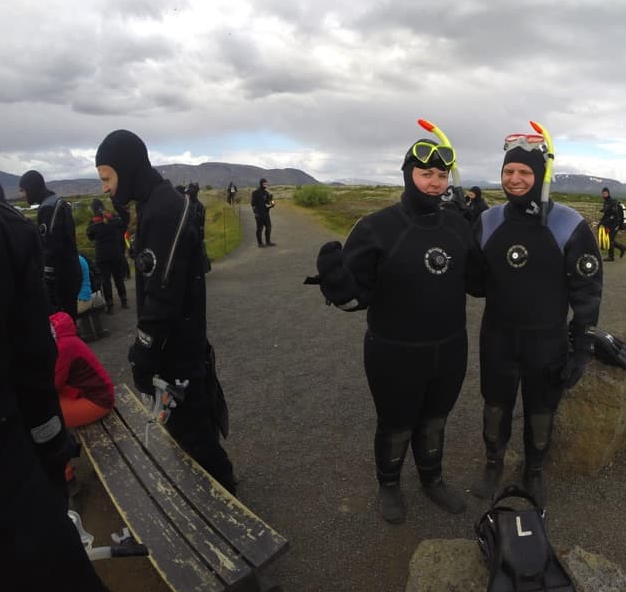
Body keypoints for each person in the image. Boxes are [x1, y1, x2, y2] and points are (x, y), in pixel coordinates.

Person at [314, 136, 482, 524]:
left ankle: (432, 478)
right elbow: (356, 296)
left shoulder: (458, 225)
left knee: (436, 419)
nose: (435, 182)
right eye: (426, 174)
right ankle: (389, 483)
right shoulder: (376, 227)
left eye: (441, 175)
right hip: (394, 351)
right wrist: (337, 287)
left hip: (450, 348)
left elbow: (479, 283)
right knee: (396, 422)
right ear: (408, 175)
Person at [0, 196, 137, 592]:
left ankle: (69, 476)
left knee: (50, 413)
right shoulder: (13, 236)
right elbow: (37, 380)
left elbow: (45, 389)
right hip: (29, 458)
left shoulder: (63, 343)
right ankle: (64, 473)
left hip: (97, 403)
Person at [95, 129, 236, 493]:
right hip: (179, 345)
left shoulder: (163, 210)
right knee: (191, 431)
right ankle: (219, 494)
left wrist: (143, 353)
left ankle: (230, 508)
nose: (105, 188)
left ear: (126, 169)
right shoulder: (153, 205)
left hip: (178, 351)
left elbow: (162, 294)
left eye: (107, 178)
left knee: (195, 436)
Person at [470, 133, 603, 506]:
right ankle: (493, 464)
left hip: (547, 341)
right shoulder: (488, 220)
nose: (514, 179)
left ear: (542, 175)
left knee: (542, 409)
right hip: (497, 337)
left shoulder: (568, 224)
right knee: (495, 405)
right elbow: (476, 283)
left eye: (524, 172)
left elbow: (587, 291)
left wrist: (583, 347)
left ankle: (534, 471)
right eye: (508, 170)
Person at [18, 170, 81, 318]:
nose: (22, 195)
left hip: (62, 275)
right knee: (70, 320)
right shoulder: (57, 201)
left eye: (23, 190)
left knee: (63, 322)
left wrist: (47, 277)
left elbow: (51, 245)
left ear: (31, 188)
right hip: (70, 269)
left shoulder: (48, 207)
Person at [50, 311, 115, 428]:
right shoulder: (58, 334)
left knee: (48, 418)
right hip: (90, 393)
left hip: (98, 400)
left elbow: (54, 384)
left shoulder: (62, 345)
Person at [86, 198, 128, 312]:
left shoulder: (93, 223)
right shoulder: (113, 219)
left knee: (106, 280)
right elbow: (122, 224)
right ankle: (124, 301)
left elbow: (90, 236)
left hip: (102, 256)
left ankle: (110, 306)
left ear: (93, 209)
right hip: (116, 253)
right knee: (118, 278)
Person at [186, 182, 212, 272]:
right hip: (196, 233)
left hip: (194, 233)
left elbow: (200, 222)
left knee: (197, 252)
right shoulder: (199, 205)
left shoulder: (193, 206)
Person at [598, 187, 626, 262]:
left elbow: (614, 216)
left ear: (608, 193)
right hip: (610, 224)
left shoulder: (612, 202)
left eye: (605, 193)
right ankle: (622, 248)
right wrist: (601, 222)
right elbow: (606, 214)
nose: (604, 194)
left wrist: (603, 222)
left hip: (615, 223)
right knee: (610, 239)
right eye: (603, 193)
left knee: (610, 240)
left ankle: (611, 257)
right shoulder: (606, 202)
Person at [251, 178, 275, 247]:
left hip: (266, 213)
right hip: (259, 214)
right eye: (264, 184)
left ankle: (268, 242)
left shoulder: (267, 193)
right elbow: (253, 203)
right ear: (261, 184)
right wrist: (255, 212)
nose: (266, 185)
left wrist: (272, 202)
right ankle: (260, 243)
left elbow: (268, 202)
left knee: (269, 227)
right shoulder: (255, 192)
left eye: (266, 184)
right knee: (260, 229)